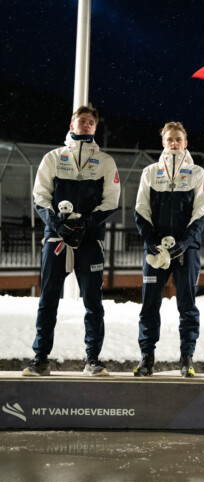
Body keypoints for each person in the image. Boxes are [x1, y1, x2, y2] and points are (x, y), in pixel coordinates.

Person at [24, 106, 121, 377]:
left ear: (95, 127)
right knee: (48, 299)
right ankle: (40, 359)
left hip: (89, 239)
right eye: (82, 120)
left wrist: (85, 223)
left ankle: (93, 360)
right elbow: (40, 197)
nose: (86, 124)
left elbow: (111, 200)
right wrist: (58, 224)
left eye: (91, 122)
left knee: (93, 301)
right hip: (56, 236)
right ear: (72, 124)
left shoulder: (105, 161)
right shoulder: (53, 158)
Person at [134, 122, 204, 377]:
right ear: (163, 143)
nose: (174, 143)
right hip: (155, 251)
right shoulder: (150, 172)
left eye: (178, 139)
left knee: (187, 306)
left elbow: (202, 211)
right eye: (170, 139)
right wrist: (150, 241)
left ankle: (187, 359)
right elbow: (141, 209)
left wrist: (185, 242)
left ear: (186, 143)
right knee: (149, 305)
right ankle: (146, 358)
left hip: (186, 250)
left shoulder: (197, 173)